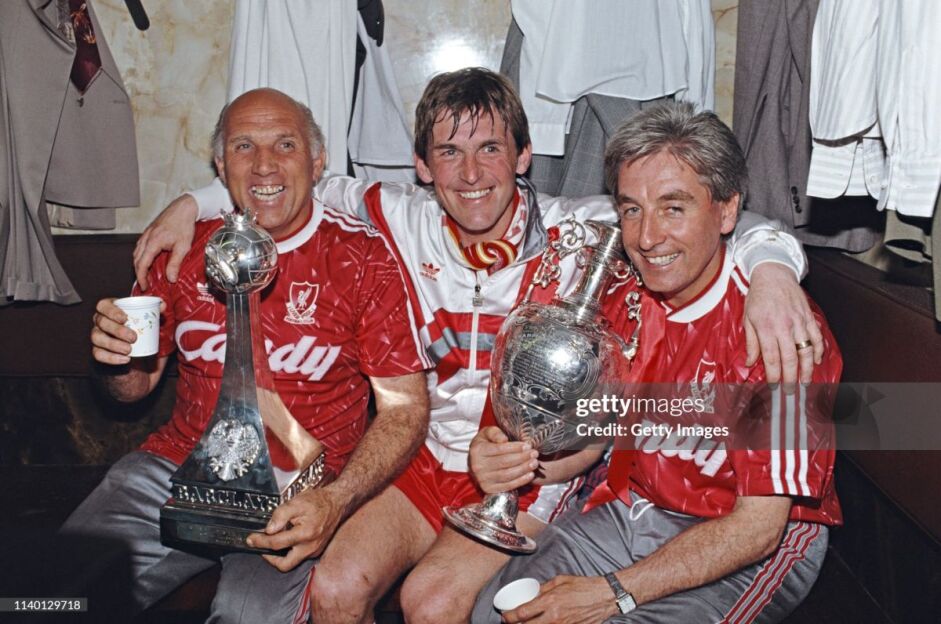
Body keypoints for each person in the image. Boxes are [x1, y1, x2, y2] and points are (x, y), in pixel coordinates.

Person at [132, 68, 824, 624]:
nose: (470, 174)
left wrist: (771, 270)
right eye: (448, 153)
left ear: (523, 156)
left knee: (433, 602)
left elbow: (701, 215)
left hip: (529, 470)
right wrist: (194, 203)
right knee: (336, 588)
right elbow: (284, 183)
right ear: (421, 166)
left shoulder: (585, 228)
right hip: (427, 454)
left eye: (490, 148)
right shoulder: (393, 214)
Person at [60, 88, 430, 623]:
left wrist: (338, 500)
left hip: (304, 486)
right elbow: (133, 389)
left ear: (318, 161)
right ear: (220, 165)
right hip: (177, 466)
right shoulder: (182, 251)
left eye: (285, 144)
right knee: (52, 593)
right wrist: (114, 359)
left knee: (246, 615)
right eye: (243, 147)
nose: (264, 165)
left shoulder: (363, 257)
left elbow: (404, 408)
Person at [471, 101, 842, 624]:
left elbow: (759, 528)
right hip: (637, 508)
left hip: (752, 541)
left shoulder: (777, 331)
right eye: (632, 210)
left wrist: (611, 593)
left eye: (673, 208)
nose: (646, 238)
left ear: (727, 211)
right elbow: (595, 439)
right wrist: (511, 462)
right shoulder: (625, 300)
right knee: (493, 612)